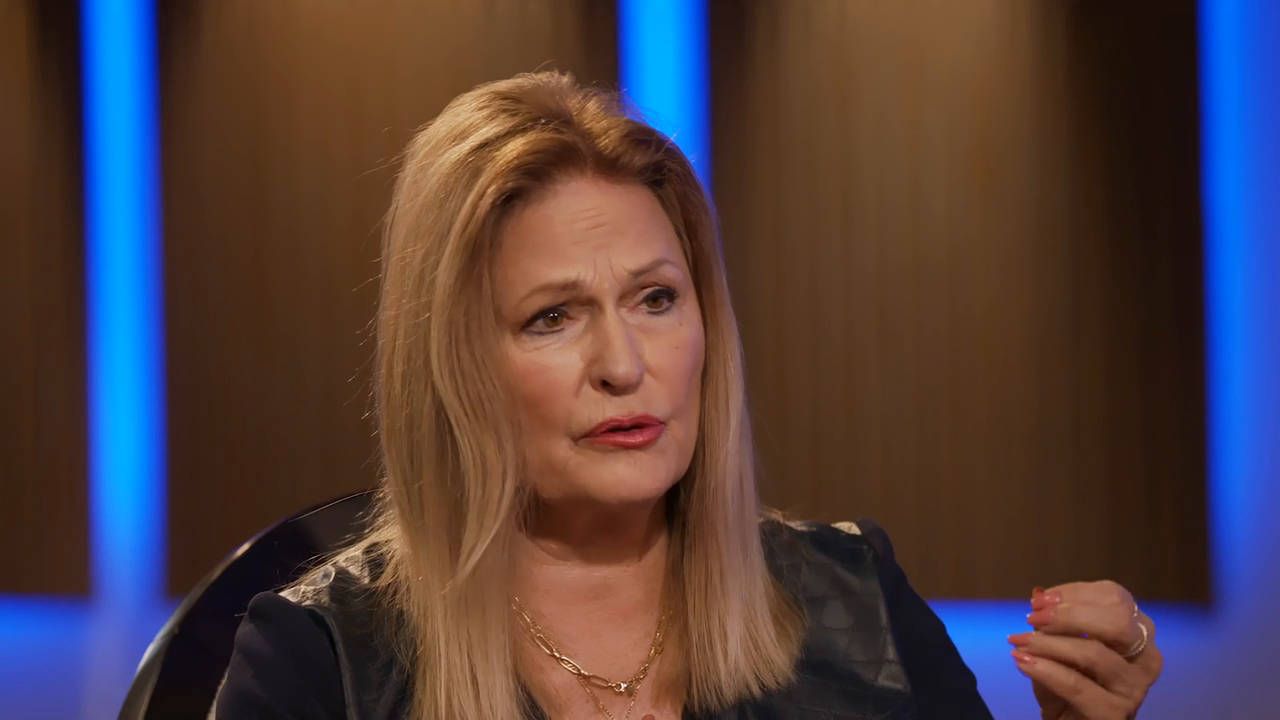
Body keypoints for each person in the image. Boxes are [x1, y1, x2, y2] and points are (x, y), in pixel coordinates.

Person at [214, 71, 1163, 720]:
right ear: (454, 365)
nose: (624, 364)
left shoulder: (858, 600)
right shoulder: (320, 659)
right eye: (552, 317)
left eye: (657, 299)